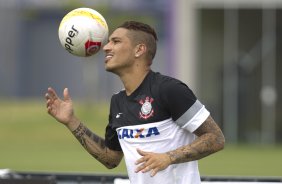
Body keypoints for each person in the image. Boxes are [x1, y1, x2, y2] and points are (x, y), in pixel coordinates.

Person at [45, 21, 225, 184]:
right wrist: (71, 121)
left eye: (115, 41)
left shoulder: (169, 89)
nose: (106, 47)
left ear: (139, 50)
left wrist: (168, 158)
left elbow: (216, 138)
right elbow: (110, 159)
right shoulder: (117, 101)